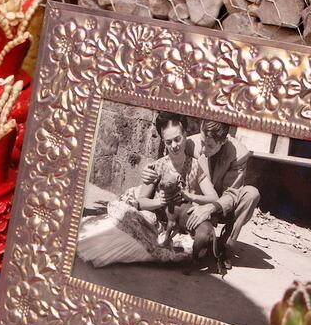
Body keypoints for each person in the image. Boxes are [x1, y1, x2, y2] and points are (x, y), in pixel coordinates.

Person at [77, 112, 219, 268]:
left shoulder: (195, 166)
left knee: (193, 249)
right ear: (164, 143)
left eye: (178, 139)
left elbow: (213, 197)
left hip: (180, 225)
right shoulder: (157, 166)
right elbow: (141, 202)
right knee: (122, 238)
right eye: (168, 142)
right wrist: (160, 201)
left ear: (185, 135)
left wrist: (190, 196)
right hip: (157, 221)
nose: (174, 146)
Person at [142, 120, 261, 271]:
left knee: (251, 194)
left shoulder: (240, 154)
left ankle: (224, 246)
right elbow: (169, 159)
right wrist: (148, 170)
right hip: (194, 205)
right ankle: (192, 235)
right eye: (202, 142)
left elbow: (232, 193)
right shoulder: (190, 142)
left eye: (210, 146)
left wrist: (212, 207)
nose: (203, 149)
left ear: (223, 141)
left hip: (221, 204)